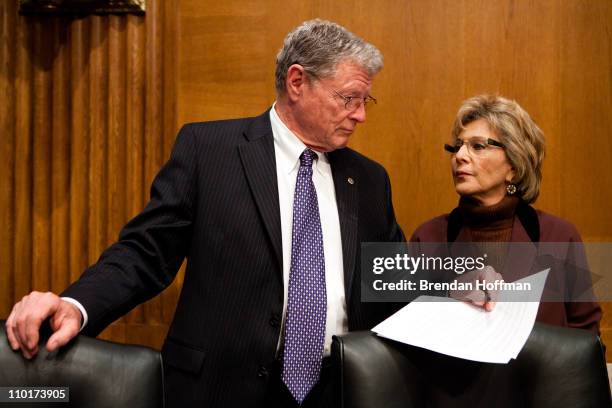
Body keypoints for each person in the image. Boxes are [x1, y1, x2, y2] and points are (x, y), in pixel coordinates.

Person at [5, 19, 404, 407]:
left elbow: (392, 278)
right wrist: (75, 305)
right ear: (297, 82)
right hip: (220, 389)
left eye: (364, 101)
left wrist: (460, 289)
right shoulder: (209, 150)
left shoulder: (368, 180)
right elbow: (145, 254)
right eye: (348, 98)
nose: (360, 115)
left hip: (336, 391)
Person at [411, 94, 601, 333]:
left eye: (478, 146)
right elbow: (412, 327)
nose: (459, 156)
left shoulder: (560, 235)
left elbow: (585, 337)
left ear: (514, 165)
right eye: (457, 146)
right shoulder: (427, 237)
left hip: (540, 371)